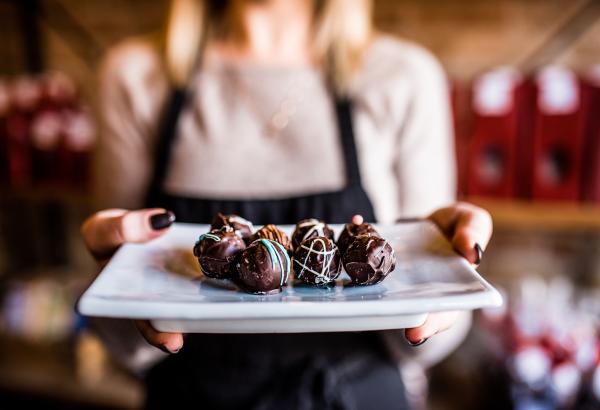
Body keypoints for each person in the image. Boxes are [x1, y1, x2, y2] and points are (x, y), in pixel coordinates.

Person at [81, 0, 493, 408]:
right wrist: (111, 282)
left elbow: (426, 344)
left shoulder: (404, 76)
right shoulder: (134, 76)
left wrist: (441, 279)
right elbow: (125, 347)